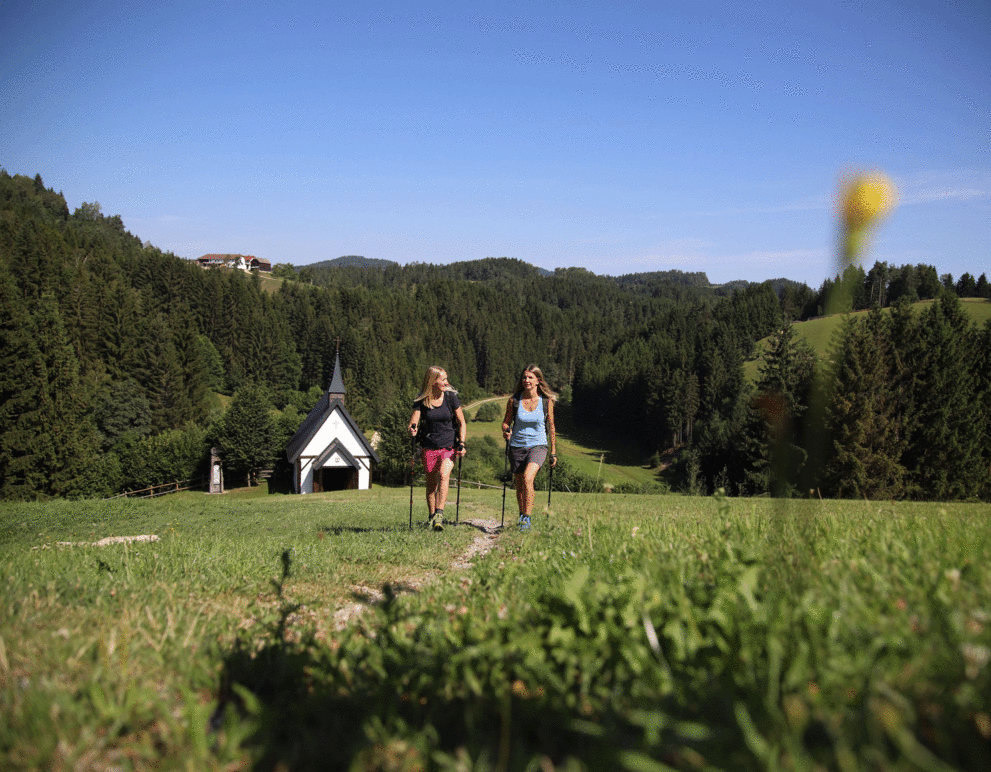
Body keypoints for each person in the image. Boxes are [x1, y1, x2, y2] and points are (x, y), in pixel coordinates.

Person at [408, 366, 466, 531]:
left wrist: (462, 443)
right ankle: (432, 516)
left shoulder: (450, 398)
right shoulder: (422, 400)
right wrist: (412, 429)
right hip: (429, 447)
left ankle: (439, 513)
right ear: (433, 381)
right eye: (443, 379)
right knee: (431, 485)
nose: (446, 383)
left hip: (449, 445)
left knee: (444, 474)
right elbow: (414, 422)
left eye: (446, 379)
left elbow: (462, 422)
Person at [501, 365, 557, 531]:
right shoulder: (514, 401)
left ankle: (527, 518)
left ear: (538, 381)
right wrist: (505, 430)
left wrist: (553, 452)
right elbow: (506, 422)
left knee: (527, 478)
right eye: (524, 377)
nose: (526, 381)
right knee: (519, 486)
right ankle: (522, 514)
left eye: (530, 378)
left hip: (538, 446)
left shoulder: (546, 402)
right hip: (516, 446)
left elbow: (552, 427)